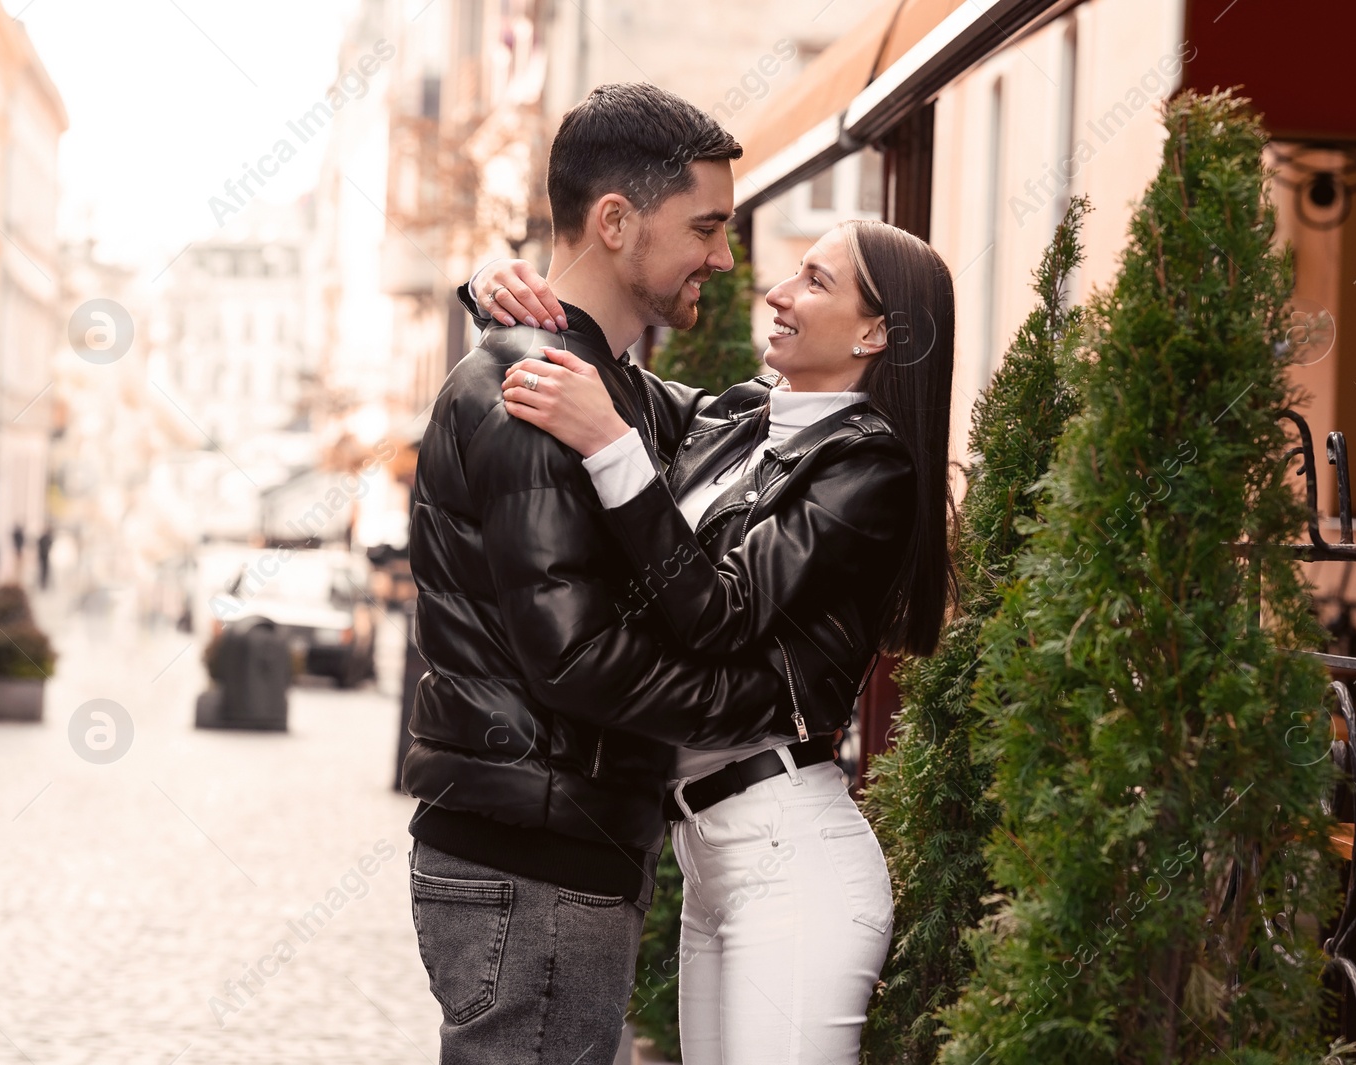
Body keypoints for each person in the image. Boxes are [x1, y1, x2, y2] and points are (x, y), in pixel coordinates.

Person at [402, 83, 825, 1065]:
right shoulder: (532, 390)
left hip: (550, 857)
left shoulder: (609, 387)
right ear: (613, 220)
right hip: (533, 863)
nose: (725, 259)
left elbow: (740, 424)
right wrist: (761, 709)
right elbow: (577, 658)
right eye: (706, 227)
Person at [472, 218, 957, 1064]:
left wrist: (614, 447)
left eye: (814, 281)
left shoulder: (870, 468)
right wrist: (496, 291)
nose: (777, 292)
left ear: (876, 331)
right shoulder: (738, 417)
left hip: (791, 859)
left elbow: (721, 611)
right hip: (709, 857)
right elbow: (598, 373)